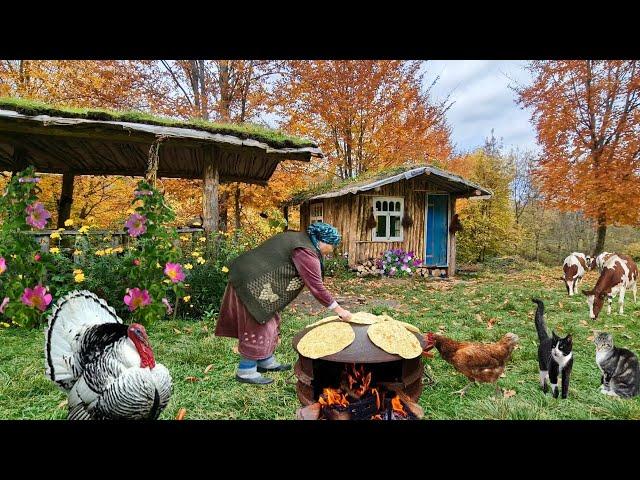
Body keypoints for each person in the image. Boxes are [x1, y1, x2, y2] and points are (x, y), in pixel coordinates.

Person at [215, 222, 353, 385]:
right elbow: (316, 287)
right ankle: (246, 371)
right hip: (250, 282)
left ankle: (265, 360)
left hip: (258, 282)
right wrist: (340, 310)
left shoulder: (300, 239)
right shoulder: (305, 251)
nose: (332, 250)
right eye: (332, 245)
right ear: (322, 241)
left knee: (271, 320)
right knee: (256, 323)